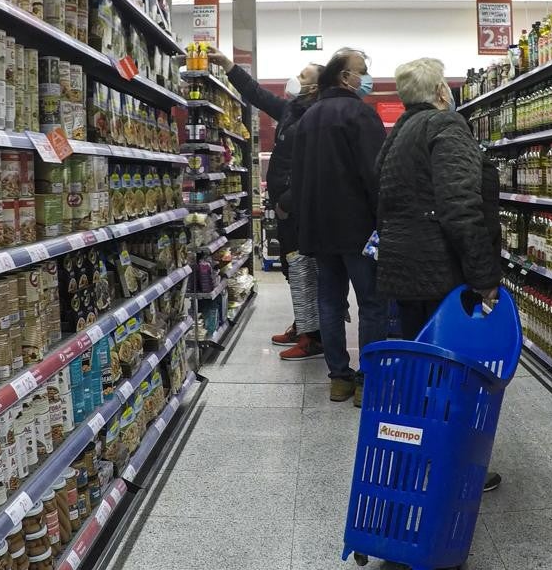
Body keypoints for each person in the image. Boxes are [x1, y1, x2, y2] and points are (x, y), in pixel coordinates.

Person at [374, 57, 503, 491]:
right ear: (442, 92)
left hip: (403, 270)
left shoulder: (398, 135)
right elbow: (460, 206)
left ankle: (420, 460)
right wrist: (484, 277)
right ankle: (453, 467)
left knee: (420, 374)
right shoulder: (446, 127)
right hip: (441, 275)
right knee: (452, 376)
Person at [207, 47, 324, 361]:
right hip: (286, 207)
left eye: (303, 76)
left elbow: (310, 167)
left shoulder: (315, 118)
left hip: (298, 207)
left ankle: (313, 337)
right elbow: (255, 94)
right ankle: (304, 324)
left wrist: (286, 201)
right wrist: (229, 66)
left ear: (315, 87)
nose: (295, 79)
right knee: (292, 267)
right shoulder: (291, 110)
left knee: (303, 270)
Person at [290, 48, 387, 405]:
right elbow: (375, 174)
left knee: (329, 301)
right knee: (372, 303)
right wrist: (383, 221)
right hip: (358, 228)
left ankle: (339, 379)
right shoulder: (361, 115)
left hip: (318, 228)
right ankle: (367, 380)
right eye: (362, 71)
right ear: (345, 77)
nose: (366, 77)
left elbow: (296, 178)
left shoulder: (308, 117)